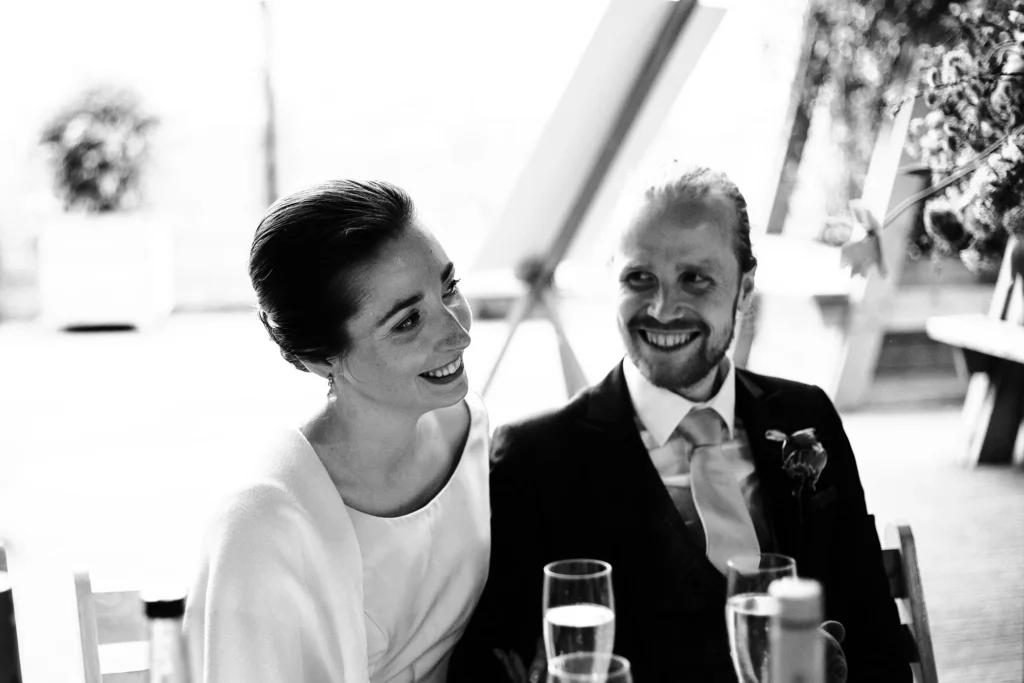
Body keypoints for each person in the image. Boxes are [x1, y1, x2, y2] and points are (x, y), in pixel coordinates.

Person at [450, 166, 910, 683]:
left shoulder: (807, 415)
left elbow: (875, 631)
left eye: (695, 278)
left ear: (744, 289)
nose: (663, 308)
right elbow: (490, 666)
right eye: (639, 278)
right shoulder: (536, 458)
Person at [184, 180, 490, 683]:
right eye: (408, 321)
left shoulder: (467, 425)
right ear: (319, 357)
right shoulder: (262, 527)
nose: (460, 332)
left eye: (449, 288)